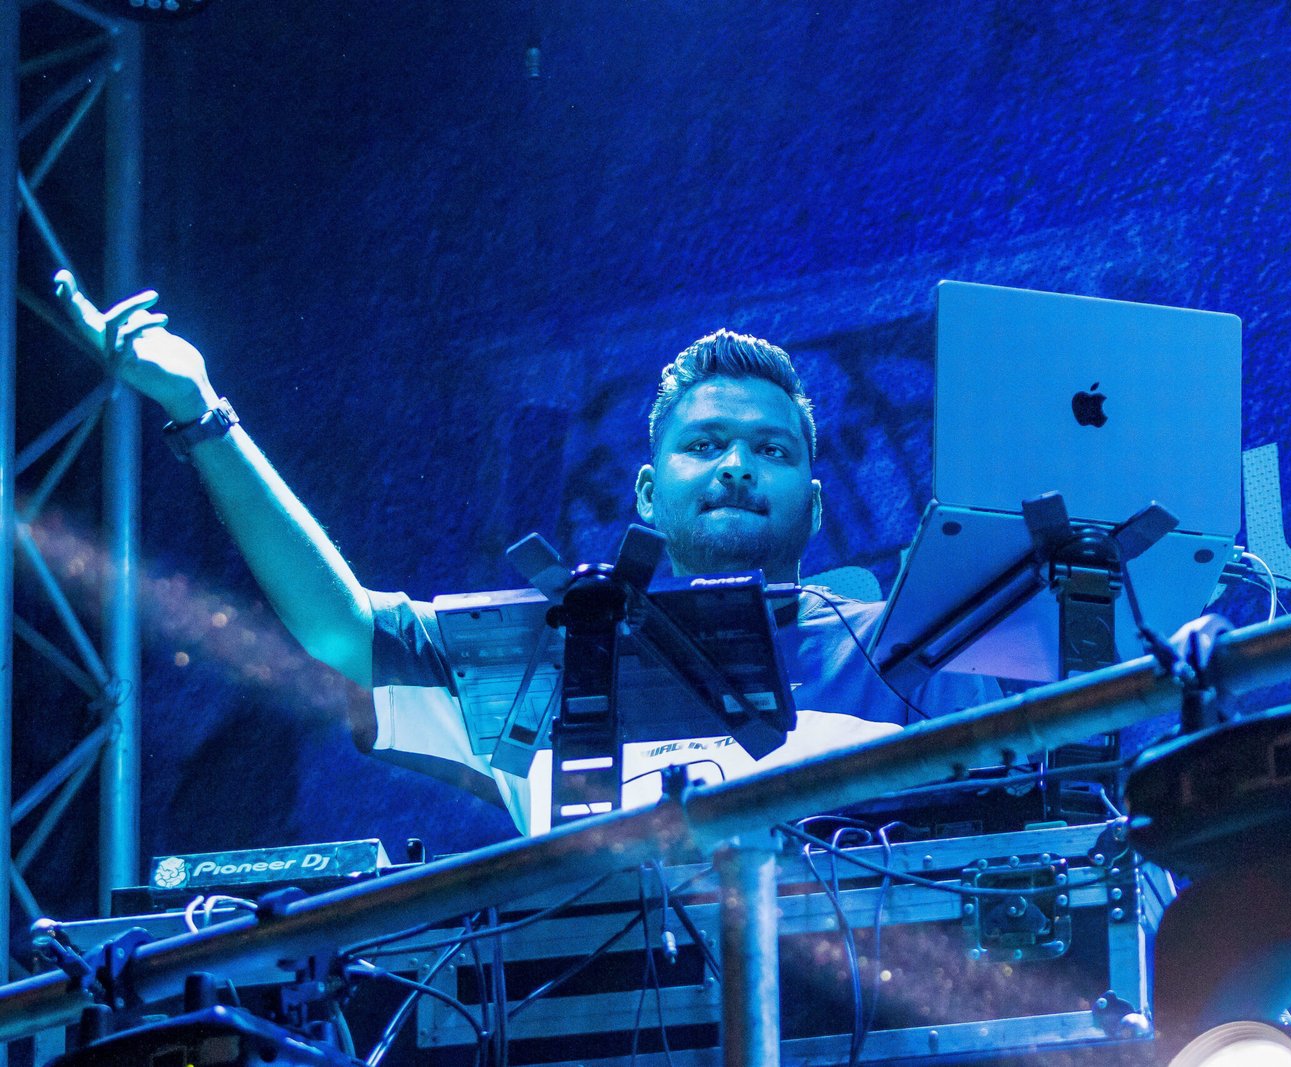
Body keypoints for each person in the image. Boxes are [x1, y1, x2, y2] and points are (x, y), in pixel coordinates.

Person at [53, 272, 995, 834]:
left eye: (773, 450)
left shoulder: (918, 649)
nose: (738, 466)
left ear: (817, 503)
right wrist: (200, 411)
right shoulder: (540, 658)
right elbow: (342, 629)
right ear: (646, 495)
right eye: (705, 444)